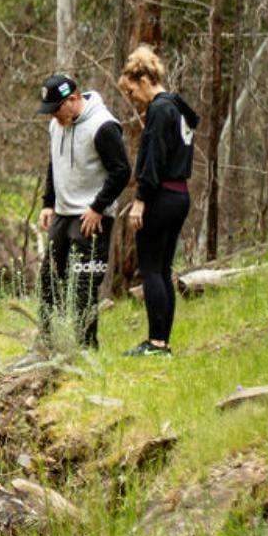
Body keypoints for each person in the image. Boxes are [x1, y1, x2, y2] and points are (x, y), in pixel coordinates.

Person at [36, 72, 132, 348]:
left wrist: (97, 207)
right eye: (49, 111)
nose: (53, 116)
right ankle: (46, 344)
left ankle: (84, 349)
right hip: (62, 214)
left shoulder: (103, 126)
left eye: (56, 110)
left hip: (91, 218)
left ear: (74, 99)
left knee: (83, 285)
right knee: (49, 280)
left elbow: (122, 171)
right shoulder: (57, 125)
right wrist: (48, 202)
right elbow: (54, 164)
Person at [117, 45, 198, 357]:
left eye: (133, 91)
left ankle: (155, 343)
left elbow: (152, 159)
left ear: (146, 79)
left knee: (151, 269)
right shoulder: (178, 107)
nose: (134, 100)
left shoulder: (159, 109)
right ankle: (162, 343)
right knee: (163, 271)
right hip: (180, 195)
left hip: (161, 196)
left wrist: (140, 200)